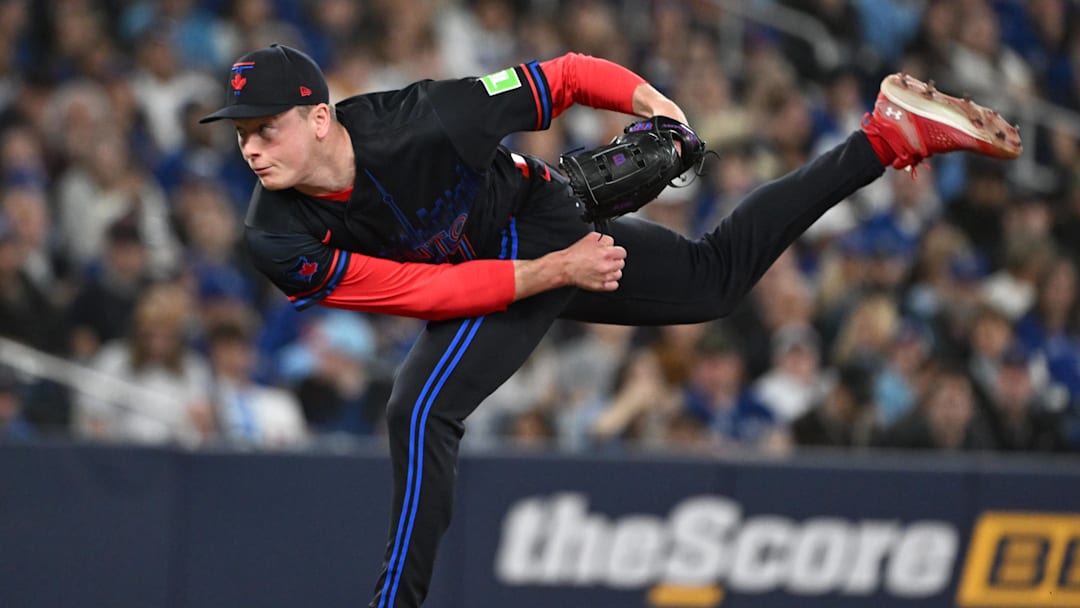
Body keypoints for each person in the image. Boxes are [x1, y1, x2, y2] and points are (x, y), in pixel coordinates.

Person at [199, 44, 1021, 607]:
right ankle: (885, 136)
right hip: (508, 262)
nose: (251, 150)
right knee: (710, 282)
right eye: (240, 134)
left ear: (318, 117)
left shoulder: (429, 118)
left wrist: (655, 103)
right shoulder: (277, 233)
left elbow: (562, 76)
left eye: (264, 128)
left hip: (534, 212)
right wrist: (555, 274)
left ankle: (393, 605)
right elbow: (419, 292)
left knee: (421, 412)